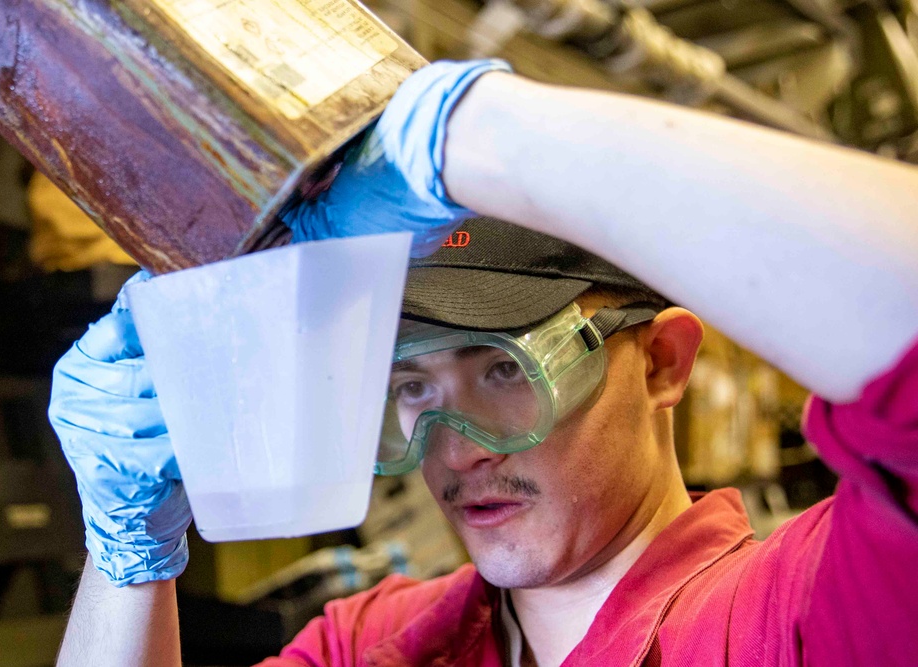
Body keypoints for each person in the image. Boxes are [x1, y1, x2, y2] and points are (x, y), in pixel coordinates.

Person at [50, 60, 918, 666]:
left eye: (504, 368)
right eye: (409, 385)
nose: (456, 449)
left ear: (660, 362)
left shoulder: (791, 618)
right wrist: (126, 558)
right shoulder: (375, 643)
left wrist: (472, 131)